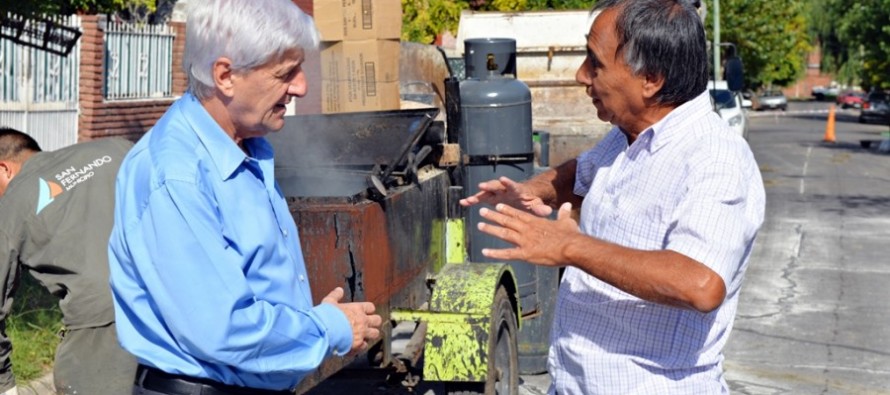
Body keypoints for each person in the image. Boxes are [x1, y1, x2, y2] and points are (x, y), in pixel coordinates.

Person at [460, 0, 766, 393]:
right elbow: (583, 172)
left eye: (595, 63)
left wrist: (571, 248)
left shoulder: (716, 159)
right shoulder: (630, 134)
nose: (580, 76)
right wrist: (533, 190)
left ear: (650, 79)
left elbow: (700, 283)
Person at [107, 1, 383, 394]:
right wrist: (328, 327)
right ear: (225, 76)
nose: (301, 86)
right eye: (286, 73)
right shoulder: (176, 176)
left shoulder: (245, 147)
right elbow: (223, 328)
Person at [0, 128, 136, 395]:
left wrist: (5, 385)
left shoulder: (11, 206)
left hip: (100, 336)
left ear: (4, 168)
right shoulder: (116, 148)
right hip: (178, 304)